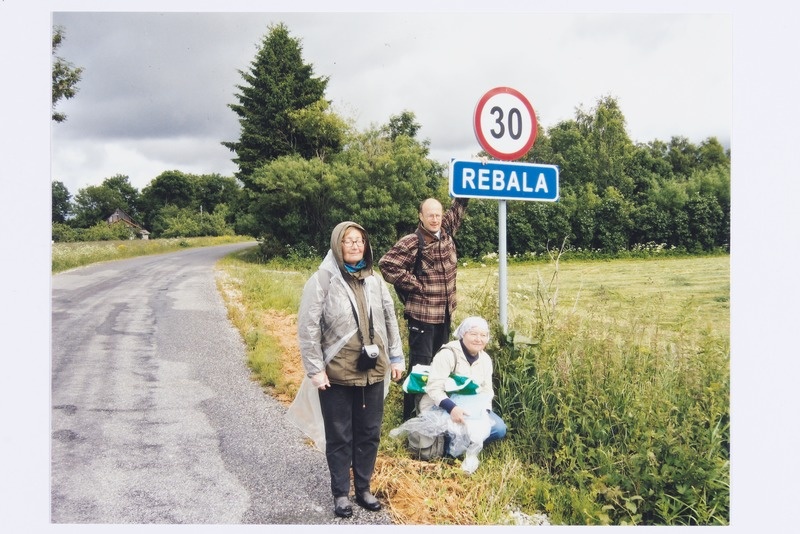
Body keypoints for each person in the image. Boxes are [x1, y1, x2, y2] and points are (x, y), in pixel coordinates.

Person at [296, 221, 405, 519]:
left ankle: (364, 488)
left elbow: (390, 320)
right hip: (337, 373)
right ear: (337, 246)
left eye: (360, 241)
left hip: (372, 370)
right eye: (349, 241)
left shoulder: (375, 280)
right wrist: (315, 369)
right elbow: (307, 327)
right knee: (340, 434)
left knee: (369, 432)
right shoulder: (323, 280)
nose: (356, 246)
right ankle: (341, 492)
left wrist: (396, 358)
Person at [378, 196, 469, 421]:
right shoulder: (412, 241)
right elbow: (386, 264)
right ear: (421, 216)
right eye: (430, 215)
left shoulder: (446, 229)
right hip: (423, 317)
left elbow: (458, 209)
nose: (435, 219)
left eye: (438, 214)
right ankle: (410, 420)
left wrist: (467, 182)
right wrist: (417, 285)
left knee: (441, 369)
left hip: (445, 315)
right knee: (420, 369)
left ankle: (434, 417)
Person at [418, 316, 507, 446]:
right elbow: (433, 388)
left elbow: (487, 391)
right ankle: (448, 445)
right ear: (463, 334)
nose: (478, 339)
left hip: (470, 408)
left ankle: (461, 442)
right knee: (452, 429)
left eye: (483, 335)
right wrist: (452, 408)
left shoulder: (485, 359)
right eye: (473, 334)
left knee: (499, 429)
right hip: (441, 406)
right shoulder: (448, 353)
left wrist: (483, 412)